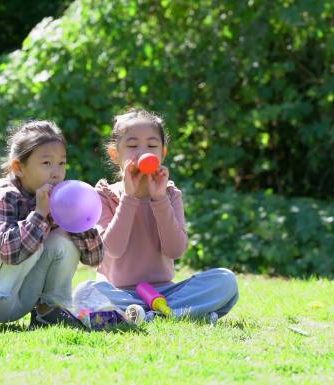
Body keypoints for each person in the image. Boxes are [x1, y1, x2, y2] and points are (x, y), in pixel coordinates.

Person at [77, 108, 238, 324]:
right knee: (84, 292)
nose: (142, 152)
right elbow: (112, 249)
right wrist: (130, 197)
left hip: (165, 293)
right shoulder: (102, 195)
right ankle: (178, 315)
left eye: (151, 146)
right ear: (115, 154)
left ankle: (149, 316)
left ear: (163, 153)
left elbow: (175, 250)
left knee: (225, 280)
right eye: (133, 146)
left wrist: (159, 200)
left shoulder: (170, 195)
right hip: (118, 293)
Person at [0, 120, 104, 334]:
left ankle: (47, 311)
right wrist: (40, 214)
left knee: (63, 238)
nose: (56, 172)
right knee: (30, 242)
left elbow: (94, 258)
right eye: (46, 163)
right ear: (18, 167)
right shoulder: (4, 195)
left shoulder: (60, 198)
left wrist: (78, 220)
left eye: (61, 163)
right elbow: (9, 252)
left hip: (21, 296)